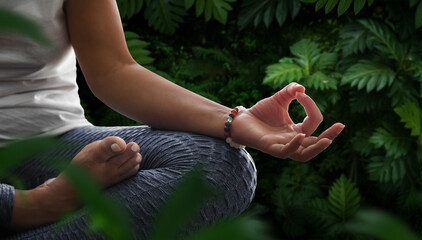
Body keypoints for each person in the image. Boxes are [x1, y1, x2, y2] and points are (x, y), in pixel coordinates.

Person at [0, 0, 344, 238]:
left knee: (217, 167)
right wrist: (35, 204)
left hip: (49, 140)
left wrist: (234, 121)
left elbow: (112, 70)